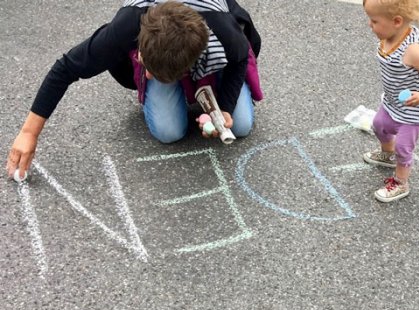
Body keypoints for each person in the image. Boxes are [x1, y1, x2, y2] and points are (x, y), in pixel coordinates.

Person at [6, 0, 263, 181]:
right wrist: (29, 132)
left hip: (208, 45)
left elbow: (240, 58)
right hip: (160, 34)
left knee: (239, 125)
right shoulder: (127, 26)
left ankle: (205, 82)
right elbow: (65, 69)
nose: (147, 74)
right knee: (169, 131)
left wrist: (226, 108)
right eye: (146, 67)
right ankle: (181, 83)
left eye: (153, 73)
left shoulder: (222, 26)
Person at [362, 0, 419, 203]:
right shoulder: (389, 35)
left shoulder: (412, 51)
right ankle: (387, 155)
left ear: (397, 21)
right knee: (379, 126)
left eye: (374, 21)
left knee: (403, 147)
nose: (369, 25)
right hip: (392, 101)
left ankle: (400, 182)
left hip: (414, 109)